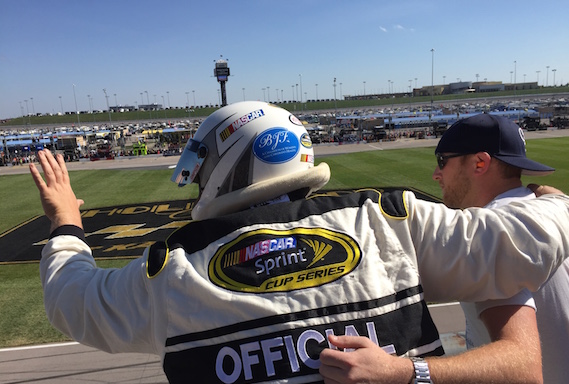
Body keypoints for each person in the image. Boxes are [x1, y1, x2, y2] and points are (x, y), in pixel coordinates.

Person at [30, 102, 569, 384]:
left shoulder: (170, 270)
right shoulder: (388, 220)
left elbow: (72, 301)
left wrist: (67, 225)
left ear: (226, 168)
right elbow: (531, 242)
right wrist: (550, 197)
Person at [318, 114, 566, 384]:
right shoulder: (545, 213)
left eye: (442, 161)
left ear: (480, 163)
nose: (436, 174)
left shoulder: (482, 241)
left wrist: (405, 372)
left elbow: (523, 369)